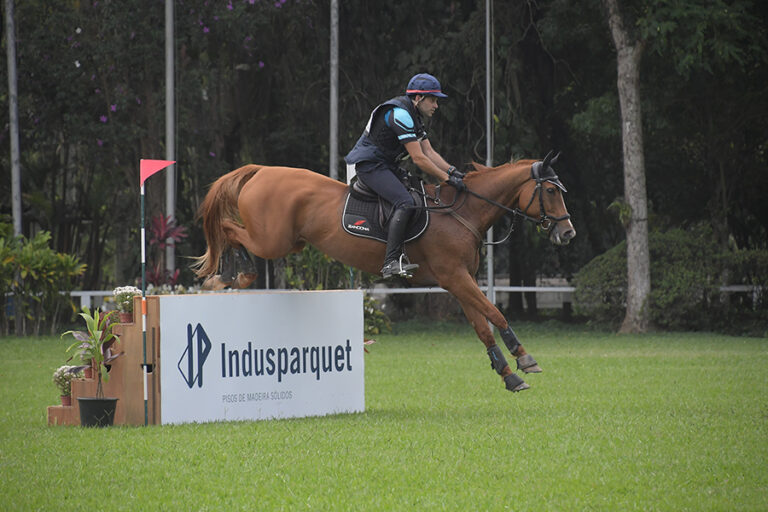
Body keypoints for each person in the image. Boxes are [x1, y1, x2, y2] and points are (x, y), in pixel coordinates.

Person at [344, 73, 466, 279]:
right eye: (433, 100)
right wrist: (446, 179)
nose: (436, 105)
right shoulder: (401, 115)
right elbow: (419, 158)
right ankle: (391, 261)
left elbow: (430, 152)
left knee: (416, 194)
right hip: (370, 166)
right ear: (418, 98)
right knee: (405, 203)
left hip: (385, 165)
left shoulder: (414, 116)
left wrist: (452, 171)